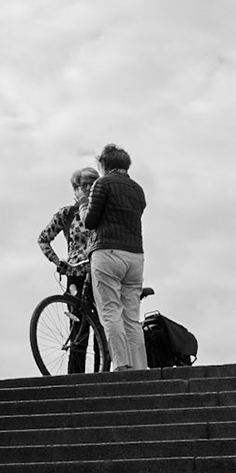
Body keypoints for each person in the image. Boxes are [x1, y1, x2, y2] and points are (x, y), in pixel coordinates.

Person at [82, 143, 148, 371]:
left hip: (108, 252)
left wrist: (83, 206)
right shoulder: (138, 190)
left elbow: (90, 222)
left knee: (110, 312)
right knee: (132, 317)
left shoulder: (103, 183)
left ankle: (121, 365)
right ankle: (140, 368)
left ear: (103, 164)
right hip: (135, 256)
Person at [36, 167, 102, 372]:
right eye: (84, 185)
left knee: (102, 325)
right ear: (76, 189)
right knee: (78, 329)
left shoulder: (102, 211)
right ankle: (75, 376)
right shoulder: (67, 214)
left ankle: (102, 372)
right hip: (76, 273)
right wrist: (57, 262)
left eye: (93, 185)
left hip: (99, 270)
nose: (88, 189)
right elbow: (43, 239)